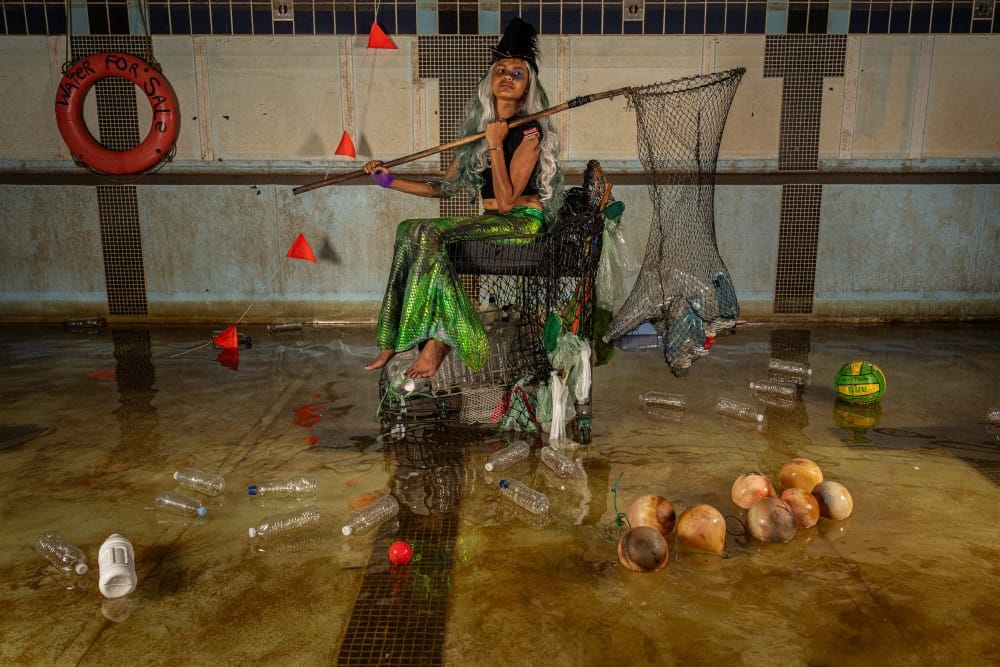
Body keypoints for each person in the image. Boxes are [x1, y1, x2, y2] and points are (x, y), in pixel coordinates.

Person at [362, 18, 563, 379]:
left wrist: (497, 143)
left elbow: (505, 202)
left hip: (521, 223)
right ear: (489, 80)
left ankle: (442, 343)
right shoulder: (479, 132)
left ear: (528, 85)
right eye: (500, 70)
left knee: (429, 234)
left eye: (517, 73)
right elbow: (440, 187)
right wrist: (387, 180)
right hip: (492, 223)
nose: (506, 76)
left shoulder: (530, 132)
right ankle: (391, 336)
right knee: (410, 228)